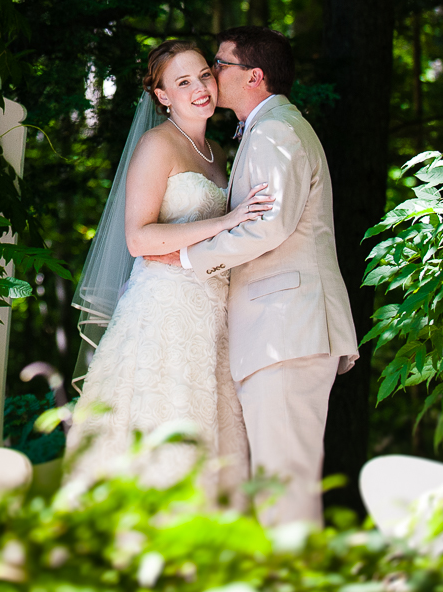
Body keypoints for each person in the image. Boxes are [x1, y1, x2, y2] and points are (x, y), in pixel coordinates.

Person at [149, 26, 359, 527]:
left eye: (219, 65)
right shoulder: (264, 130)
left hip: (285, 330)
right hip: (279, 331)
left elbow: (271, 224)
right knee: (278, 483)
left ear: (254, 76)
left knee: (286, 486)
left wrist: (186, 260)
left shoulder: (277, 130)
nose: (211, 75)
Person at [65, 39, 275, 498]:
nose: (200, 88)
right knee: (166, 424)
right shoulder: (157, 145)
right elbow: (138, 238)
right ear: (162, 96)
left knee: (214, 433)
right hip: (165, 310)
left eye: (204, 74)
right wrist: (227, 219)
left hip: (214, 314)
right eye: (183, 82)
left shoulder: (218, 151)